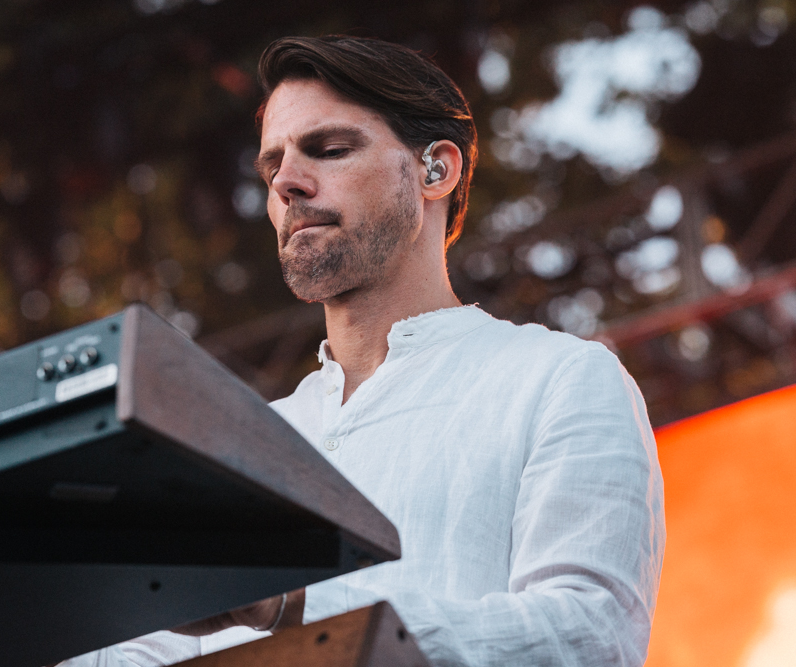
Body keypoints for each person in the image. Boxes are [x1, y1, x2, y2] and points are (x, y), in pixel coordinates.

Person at [64, 34, 665, 667]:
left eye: (328, 150)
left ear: (436, 170)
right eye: (272, 167)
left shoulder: (560, 380)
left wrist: (295, 605)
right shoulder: (235, 444)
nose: (287, 184)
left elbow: (588, 634)